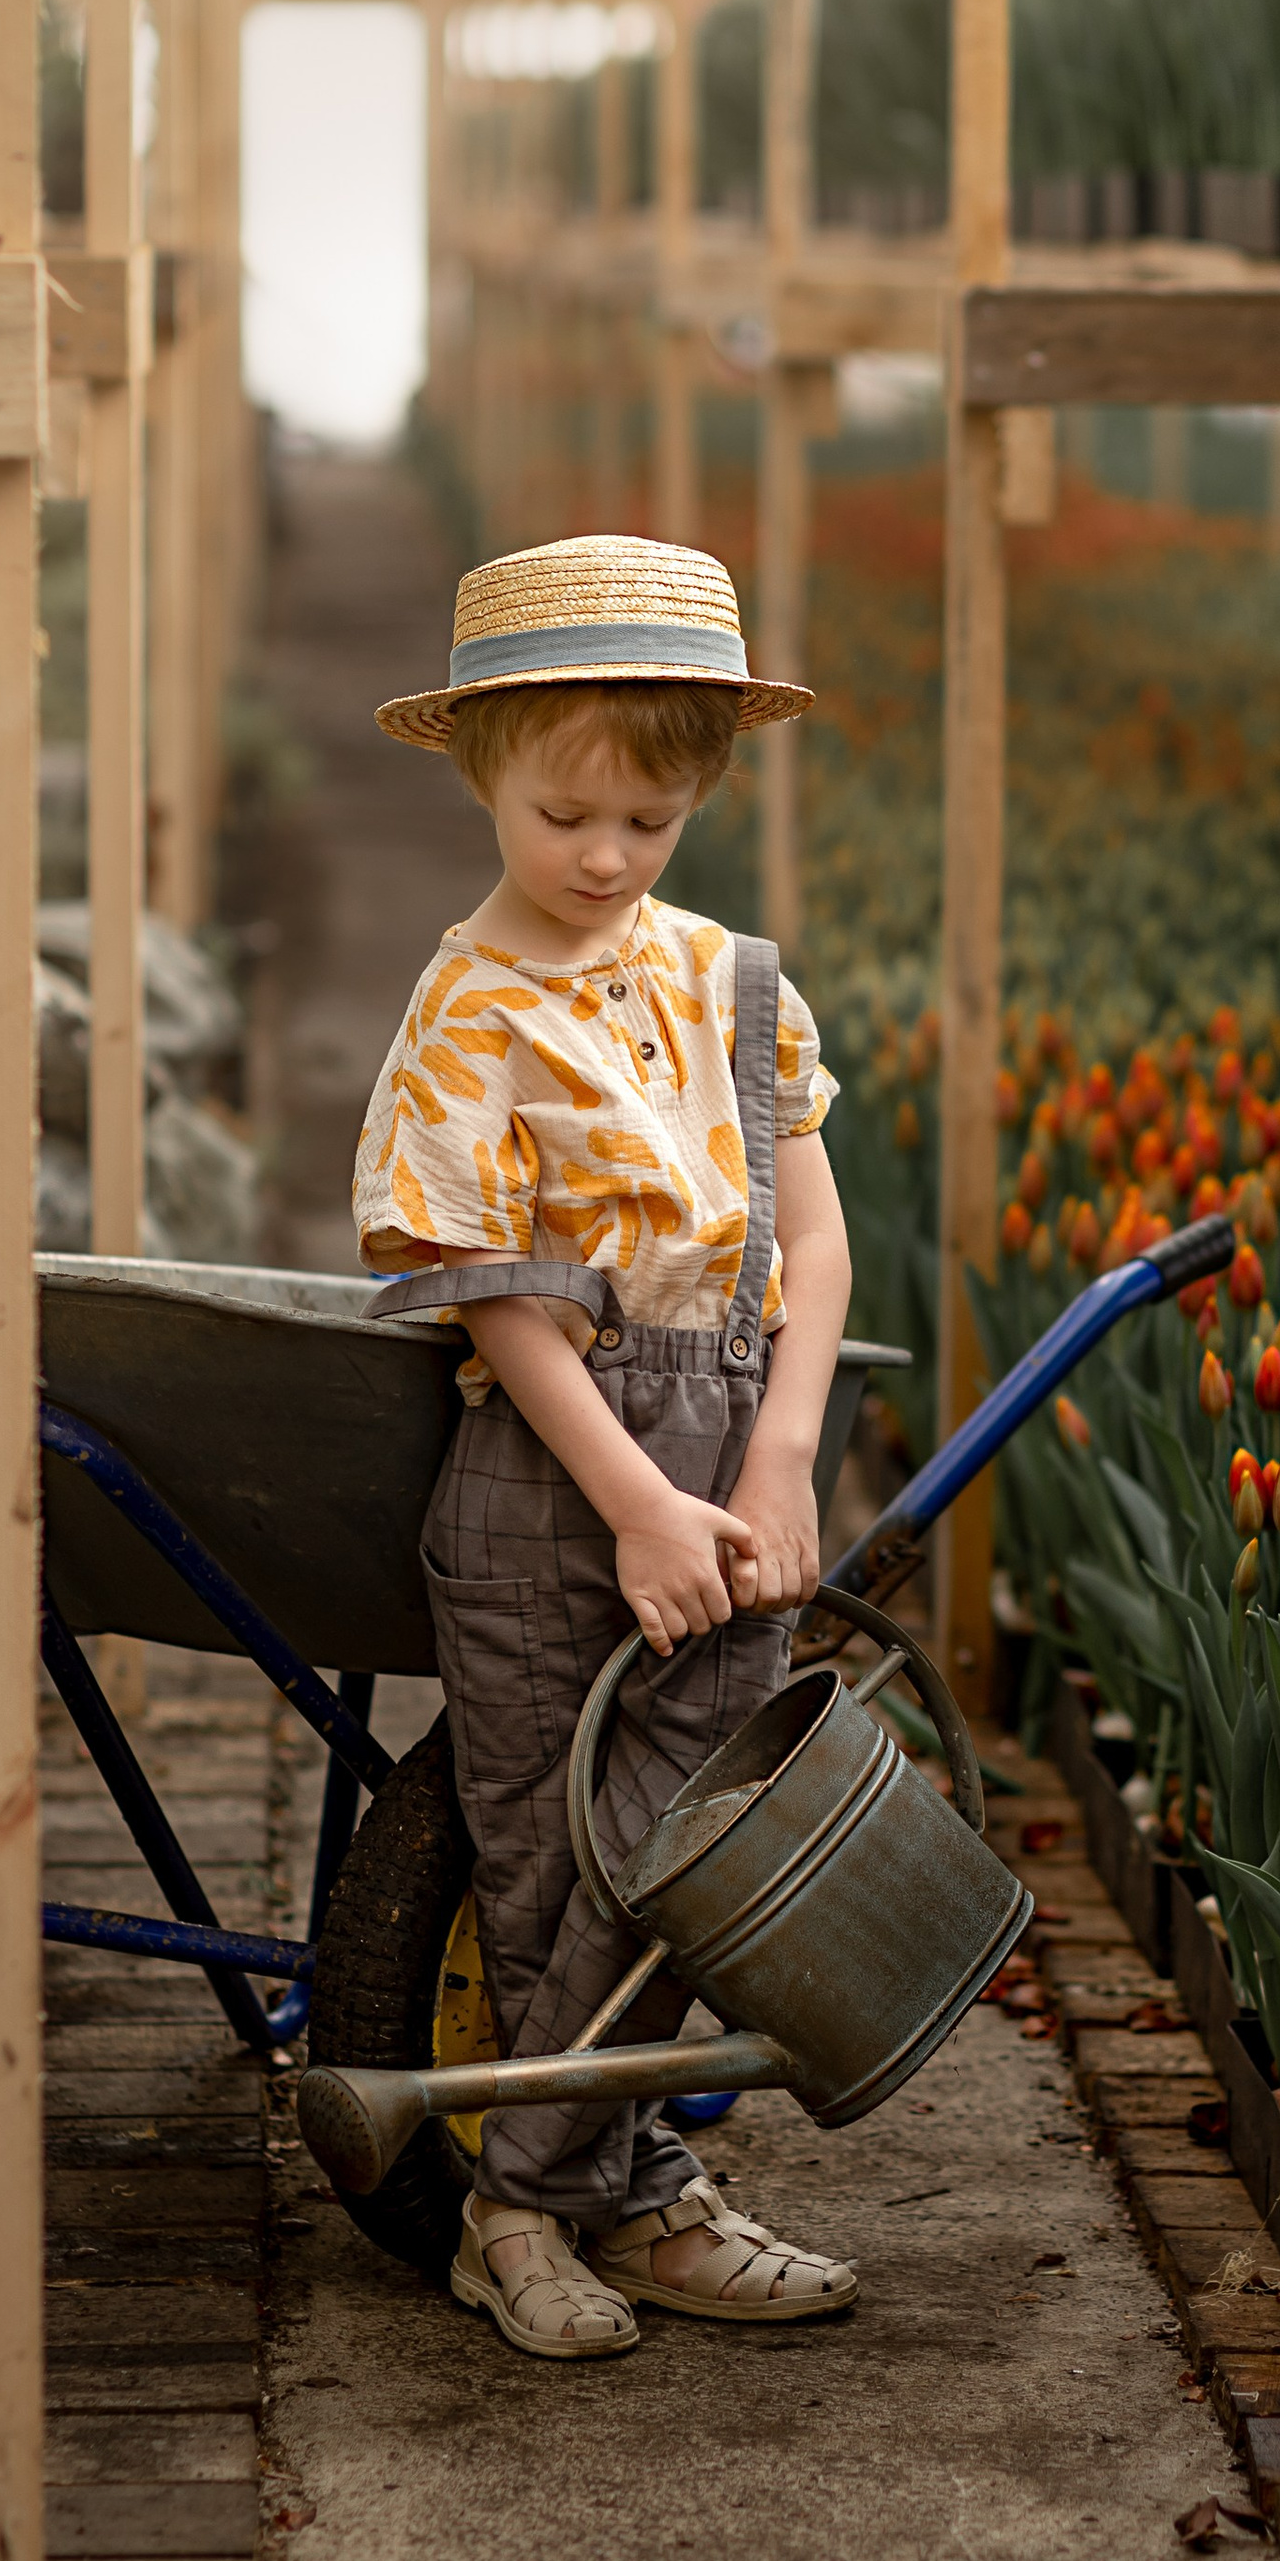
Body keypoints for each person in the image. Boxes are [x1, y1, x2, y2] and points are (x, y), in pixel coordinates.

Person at [353, 534, 859, 2360]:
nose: (604, 858)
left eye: (649, 820)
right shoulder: (470, 1013)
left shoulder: (729, 983)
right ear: (485, 765)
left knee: (692, 1850)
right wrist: (640, 1502)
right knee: (558, 1865)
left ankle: (547, 2204)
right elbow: (499, 1301)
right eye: (566, 810)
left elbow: (817, 1239)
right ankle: (593, 2201)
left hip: (730, 1465)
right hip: (550, 1484)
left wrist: (780, 1460)